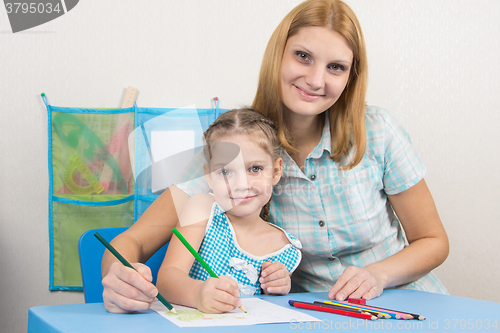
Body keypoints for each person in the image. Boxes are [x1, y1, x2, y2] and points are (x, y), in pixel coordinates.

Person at [101, 0, 449, 313]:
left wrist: (378, 274)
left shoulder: (378, 130)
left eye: (336, 67)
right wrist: (119, 275)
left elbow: (433, 240)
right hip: (316, 314)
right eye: (303, 56)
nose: (315, 80)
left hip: (407, 302)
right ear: (278, 54)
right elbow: (133, 240)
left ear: (350, 78)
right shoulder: (234, 144)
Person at [155, 109, 302, 313]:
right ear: (209, 175)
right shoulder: (201, 209)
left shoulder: (285, 247)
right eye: (225, 171)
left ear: (276, 172)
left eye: (255, 169)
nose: (241, 184)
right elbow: (167, 279)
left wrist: (280, 285)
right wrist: (198, 293)